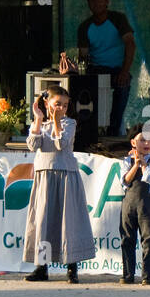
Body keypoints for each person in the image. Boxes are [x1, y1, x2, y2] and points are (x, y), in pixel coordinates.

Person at [24, 85, 96, 283]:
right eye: (57, 104)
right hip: (44, 176)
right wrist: (39, 118)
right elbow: (33, 145)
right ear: (47, 104)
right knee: (43, 220)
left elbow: (60, 144)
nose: (61, 109)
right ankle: (42, 267)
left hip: (65, 175)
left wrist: (56, 122)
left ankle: (72, 268)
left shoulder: (69, 123)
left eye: (65, 105)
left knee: (68, 220)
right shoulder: (39, 123)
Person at [72, 0, 136, 136]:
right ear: (88, 4)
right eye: (92, 1)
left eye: (99, 0)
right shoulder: (84, 26)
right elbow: (84, 56)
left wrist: (124, 71)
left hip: (117, 69)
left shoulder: (118, 19)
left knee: (123, 86)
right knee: (82, 87)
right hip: (95, 69)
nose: (96, 3)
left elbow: (130, 44)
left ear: (107, 1)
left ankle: (113, 130)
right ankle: (88, 130)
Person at [119, 124, 150, 285]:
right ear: (133, 142)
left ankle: (147, 276)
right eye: (142, 140)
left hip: (147, 204)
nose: (146, 143)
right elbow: (124, 182)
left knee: (148, 239)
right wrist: (135, 164)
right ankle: (128, 274)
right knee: (127, 239)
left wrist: (143, 164)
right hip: (128, 203)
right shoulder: (126, 161)